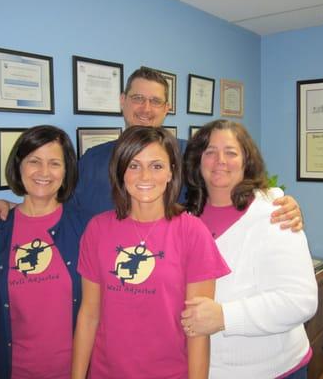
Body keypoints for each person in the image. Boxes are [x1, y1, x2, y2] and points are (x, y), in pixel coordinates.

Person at [0, 67, 303, 230]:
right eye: (137, 98)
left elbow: (231, 192)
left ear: (167, 108)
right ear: (123, 102)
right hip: (106, 291)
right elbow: (62, 212)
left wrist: (277, 202)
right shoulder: (93, 160)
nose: (145, 108)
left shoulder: (191, 156)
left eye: (155, 101)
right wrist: (10, 206)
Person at [72, 126, 230, 379]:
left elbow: (197, 328)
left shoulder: (192, 232)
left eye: (156, 166)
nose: (145, 176)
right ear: (121, 171)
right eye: (134, 165)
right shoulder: (98, 229)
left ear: (171, 172)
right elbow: (89, 315)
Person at [180, 120, 318, 379]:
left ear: (246, 161)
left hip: (272, 370)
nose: (220, 160)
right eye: (210, 152)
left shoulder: (275, 214)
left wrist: (224, 316)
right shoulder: (185, 217)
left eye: (231, 152)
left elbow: (301, 301)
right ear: (198, 161)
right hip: (204, 369)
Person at [0, 125, 86, 379]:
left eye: (54, 163)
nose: (44, 172)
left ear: (66, 171)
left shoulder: (86, 229)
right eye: (34, 161)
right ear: (19, 166)